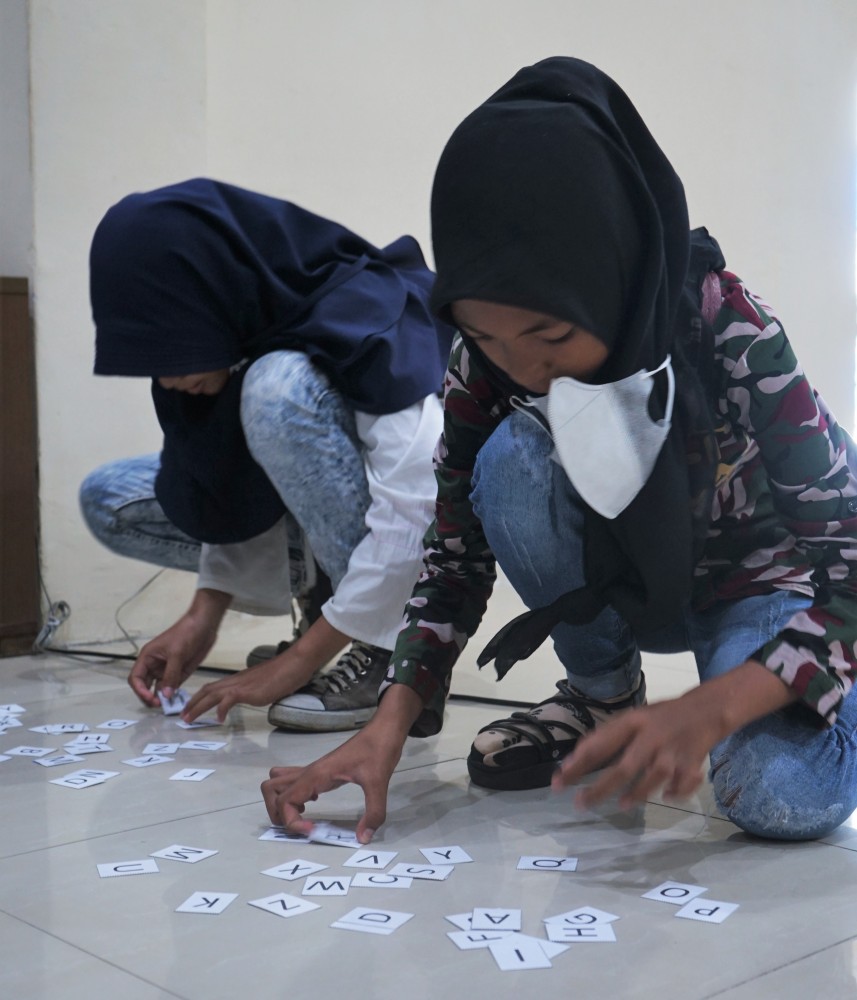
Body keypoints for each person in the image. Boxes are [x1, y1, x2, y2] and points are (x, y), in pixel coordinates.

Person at [261, 57, 857, 844]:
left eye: (549, 334)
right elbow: (453, 557)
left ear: (613, 276)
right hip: (625, 583)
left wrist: (717, 705)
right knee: (511, 455)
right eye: (486, 336)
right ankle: (600, 697)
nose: (522, 368)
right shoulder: (484, 361)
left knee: (780, 797)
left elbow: (850, 564)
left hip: (757, 586)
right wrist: (387, 724)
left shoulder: (726, 325)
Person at [80, 178, 453, 731]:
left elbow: (421, 504)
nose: (166, 377)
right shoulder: (242, 324)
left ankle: (392, 654)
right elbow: (227, 476)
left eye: (171, 343)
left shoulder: (375, 316)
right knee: (109, 497)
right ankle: (330, 612)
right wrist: (204, 614)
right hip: (349, 517)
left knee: (277, 388)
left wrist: (296, 663)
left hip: (435, 524)